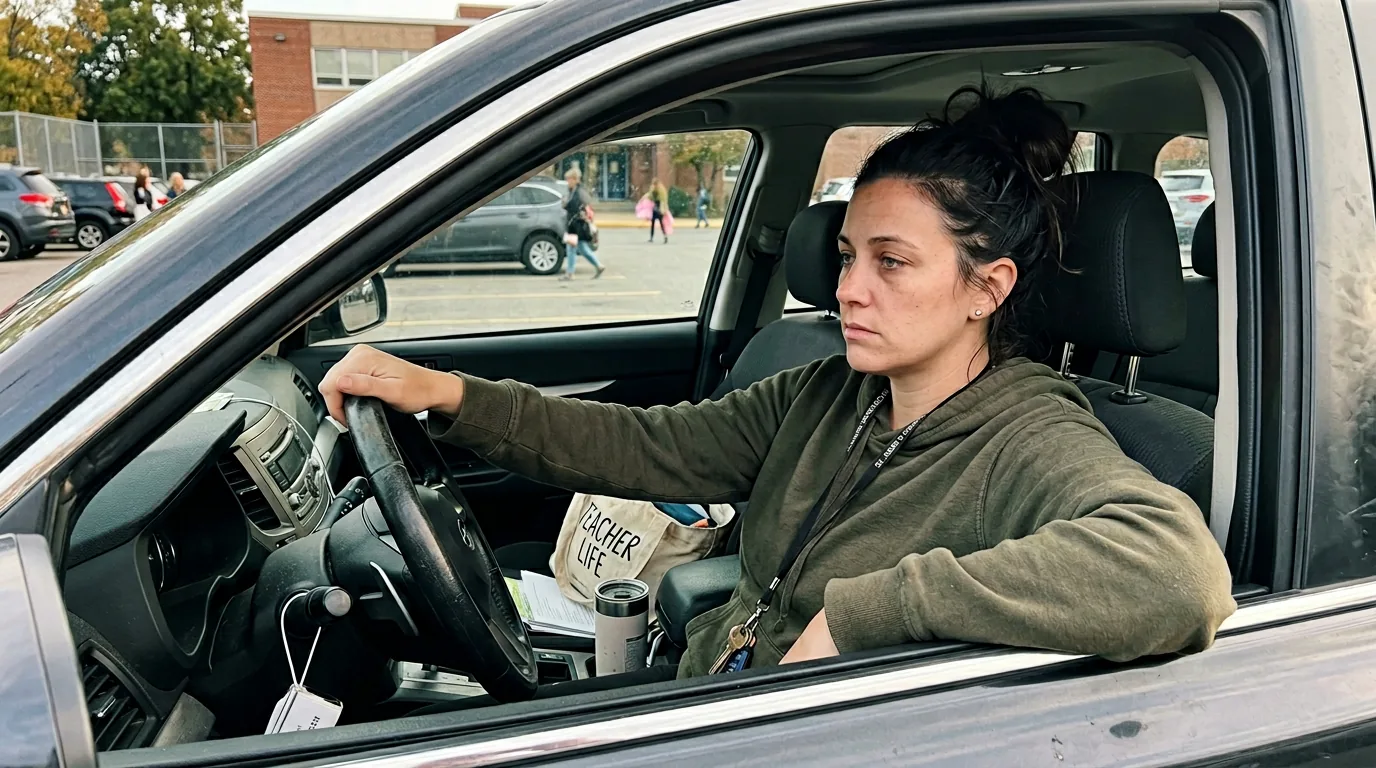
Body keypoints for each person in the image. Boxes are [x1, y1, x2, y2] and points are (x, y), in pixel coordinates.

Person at [320, 85, 1235, 681]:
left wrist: (866, 613)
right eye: (845, 257)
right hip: (712, 692)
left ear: (985, 289)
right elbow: (647, 446)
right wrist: (445, 393)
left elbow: (1177, 571)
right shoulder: (830, 392)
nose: (848, 288)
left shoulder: (1032, 437)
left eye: (891, 262)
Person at [560, 167, 604, 281]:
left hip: (576, 225)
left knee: (572, 248)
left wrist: (565, 204)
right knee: (581, 248)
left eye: (569, 179)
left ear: (575, 179)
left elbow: (575, 208)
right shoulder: (574, 191)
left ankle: (570, 273)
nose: (567, 182)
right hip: (575, 225)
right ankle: (598, 266)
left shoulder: (578, 193)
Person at [647, 179, 669, 243]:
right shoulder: (656, 190)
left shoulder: (660, 191)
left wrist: (663, 209)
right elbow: (651, 198)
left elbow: (663, 200)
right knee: (655, 223)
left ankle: (664, 236)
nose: (654, 185)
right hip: (656, 207)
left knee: (659, 223)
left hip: (659, 207)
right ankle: (653, 237)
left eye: (654, 184)